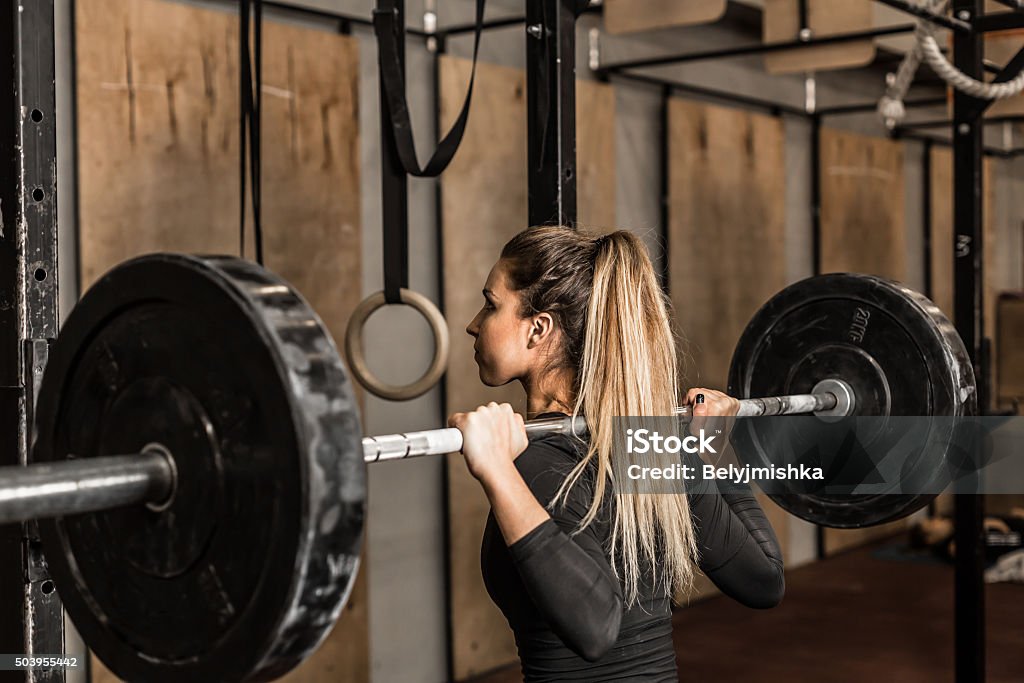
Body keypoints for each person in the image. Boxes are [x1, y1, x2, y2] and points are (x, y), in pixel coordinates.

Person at [448, 226, 785, 682]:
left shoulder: (534, 463)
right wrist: (714, 452)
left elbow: (595, 628)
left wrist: (496, 469)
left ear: (538, 329)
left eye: (491, 304)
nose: (474, 322)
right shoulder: (644, 447)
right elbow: (764, 580)